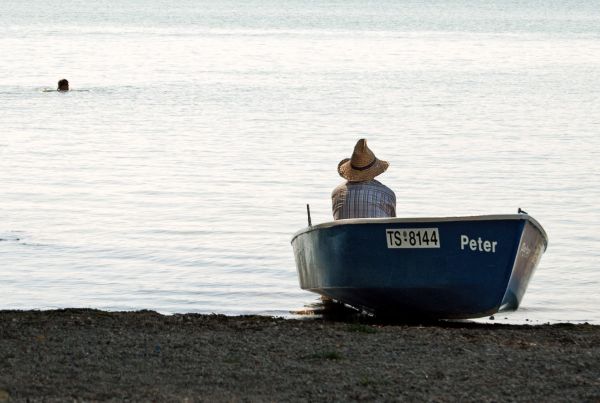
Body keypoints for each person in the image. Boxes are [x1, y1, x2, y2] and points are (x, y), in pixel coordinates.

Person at [332, 138, 396, 220]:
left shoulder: (336, 193)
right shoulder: (387, 194)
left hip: (345, 232)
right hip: (376, 232)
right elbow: (392, 225)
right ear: (374, 170)